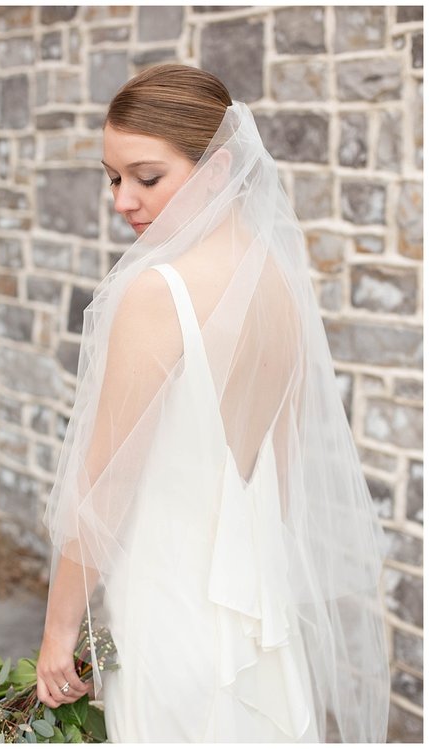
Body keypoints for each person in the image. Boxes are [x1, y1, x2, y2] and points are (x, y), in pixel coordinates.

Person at [37, 64, 389, 742]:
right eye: (113, 178)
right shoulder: (278, 283)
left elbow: (102, 486)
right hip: (258, 624)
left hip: (168, 622)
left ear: (219, 167)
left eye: (147, 177)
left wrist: (59, 633)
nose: (122, 201)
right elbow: (282, 479)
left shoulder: (155, 295)